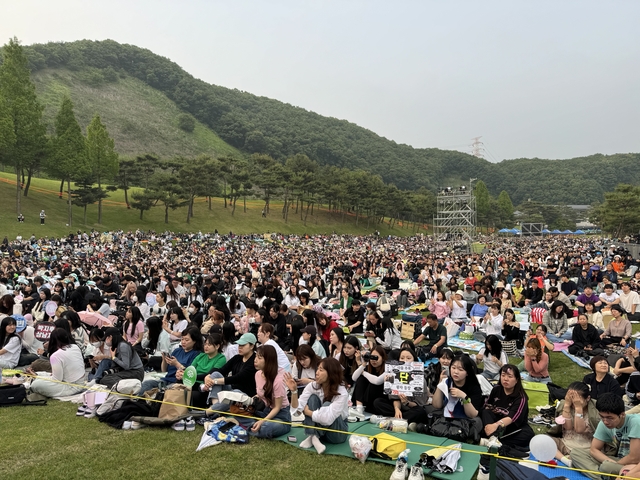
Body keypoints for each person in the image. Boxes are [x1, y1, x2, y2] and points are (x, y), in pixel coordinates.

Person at [284, 357, 349, 454]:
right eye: (317, 369)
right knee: (312, 398)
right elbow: (297, 412)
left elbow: (327, 419)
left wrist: (308, 412)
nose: (317, 372)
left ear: (331, 373)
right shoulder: (312, 386)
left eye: (321, 370)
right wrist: (294, 391)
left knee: (327, 405)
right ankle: (314, 437)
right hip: (321, 430)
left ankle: (313, 436)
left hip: (337, 433)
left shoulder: (341, 392)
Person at [571, 393, 640, 480]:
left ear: (622, 414)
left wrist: (612, 464)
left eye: (610, 418)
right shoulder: (603, 423)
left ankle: (603, 474)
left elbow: (634, 458)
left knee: (606, 467)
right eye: (602, 417)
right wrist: (610, 461)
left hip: (636, 465)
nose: (605, 421)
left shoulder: (636, 422)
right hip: (619, 460)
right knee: (576, 453)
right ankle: (604, 476)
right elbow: (594, 449)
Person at [236, 345, 291, 438]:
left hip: (280, 416)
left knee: (266, 427)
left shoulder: (278, 380)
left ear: (269, 360)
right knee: (236, 404)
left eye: (259, 358)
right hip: (265, 411)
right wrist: (249, 401)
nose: (255, 360)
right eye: (256, 356)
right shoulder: (258, 374)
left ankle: (251, 425)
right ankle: (253, 425)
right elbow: (260, 394)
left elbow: (277, 407)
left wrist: (262, 421)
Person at [480, 364, 535, 449]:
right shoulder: (496, 389)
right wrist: (490, 409)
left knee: (528, 435)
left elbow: (512, 418)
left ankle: (494, 441)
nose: (505, 379)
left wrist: (495, 425)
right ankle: (493, 439)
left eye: (510, 376)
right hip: (495, 424)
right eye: (503, 375)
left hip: (512, 427)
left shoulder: (521, 398)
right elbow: (487, 406)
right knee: (485, 412)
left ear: (517, 380)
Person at [136, 328, 202, 394]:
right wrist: (164, 360)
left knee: (163, 392)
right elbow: (164, 370)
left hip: (178, 383)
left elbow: (189, 374)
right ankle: (137, 399)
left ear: (195, 341)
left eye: (186, 340)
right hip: (166, 379)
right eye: (182, 339)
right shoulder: (177, 350)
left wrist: (176, 364)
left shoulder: (197, 355)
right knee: (147, 383)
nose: (183, 342)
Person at [551, 381, 600, 468]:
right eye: (571, 398)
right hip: (565, 444)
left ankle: (570, 458)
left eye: (577, 399)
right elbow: (568, 427)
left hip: (585, 449)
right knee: (542, 440)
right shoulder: (566, 404)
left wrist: (578, 408)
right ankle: (566, 460)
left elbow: (579, 430)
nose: (573, 402)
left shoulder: (595, 409)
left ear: (588, 398)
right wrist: (566, 405)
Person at [204, 332, 258, 406]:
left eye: (243, 345)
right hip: (232, 388)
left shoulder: (254, 361)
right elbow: (222, 370)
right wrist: (208, 376)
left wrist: (214, 381)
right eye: (239, 345)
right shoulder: (237, 357)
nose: (240, 347)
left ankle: (212, 410)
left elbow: (237, 378)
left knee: (233, 393)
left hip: (245, 393)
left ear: (252, 346)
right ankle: (215, 405)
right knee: (215, 374)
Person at [29, 328, 85, 398]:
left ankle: (36, 377)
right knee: (41, 374)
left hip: (71, 387)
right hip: (80, 383)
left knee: (35, 385)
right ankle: (36, 374)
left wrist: (38, 378)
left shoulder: (55, 356)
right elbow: (56, 375)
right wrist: (38, 375)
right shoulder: (75, 347)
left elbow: (57, 380)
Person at [433, 354, 484, 426]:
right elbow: (436, 405)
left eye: (460, 370)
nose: (456, 372)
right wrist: (440, 383)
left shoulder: (474, 387)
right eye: (453, 368)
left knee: (477, 422)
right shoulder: (447, 381)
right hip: (446, 418)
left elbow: (472, 414)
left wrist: (464, 397)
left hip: (465, 422)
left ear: (467, 372)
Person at [350, 345, 387, 413]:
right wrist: (364, 363)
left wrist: (363, 372)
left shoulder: (387, 369)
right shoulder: (368, 367)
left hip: (379, 399)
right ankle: (359, 407)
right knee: (361, 378)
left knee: (369, 379)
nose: (373, 361)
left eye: (376, 358)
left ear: (383, 358)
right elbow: (354, 378)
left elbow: (377, 381)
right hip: (367, 399)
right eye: (372, 357)